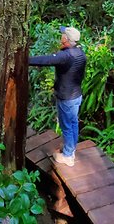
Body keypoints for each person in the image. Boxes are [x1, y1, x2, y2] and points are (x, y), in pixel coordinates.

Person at [29, 26, 86, 166]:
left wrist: (25, 59)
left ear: (65, 39)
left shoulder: (66, 56)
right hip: (76, 95)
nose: (61, 36)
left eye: (62, 35)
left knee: (66, 126)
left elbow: (46, 60)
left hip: (66, 97)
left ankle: (67, 157)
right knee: (73, 124)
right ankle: (70, 149)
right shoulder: (79, 53)